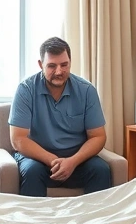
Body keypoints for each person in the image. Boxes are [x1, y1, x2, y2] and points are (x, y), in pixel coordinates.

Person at [9, 37, 112, 197]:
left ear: (70, 62)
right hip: (38, 158)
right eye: (52, 66)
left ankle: (95, 221)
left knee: (101, 170)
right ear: (40, 64)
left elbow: (98, 136)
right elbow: (18, 139)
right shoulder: (26, 89)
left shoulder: (86, 90)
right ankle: (34, 221)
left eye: (64, 65)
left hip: (77, 159)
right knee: (32, 171)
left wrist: (72, 161)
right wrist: (54, 161)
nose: (59, 71)